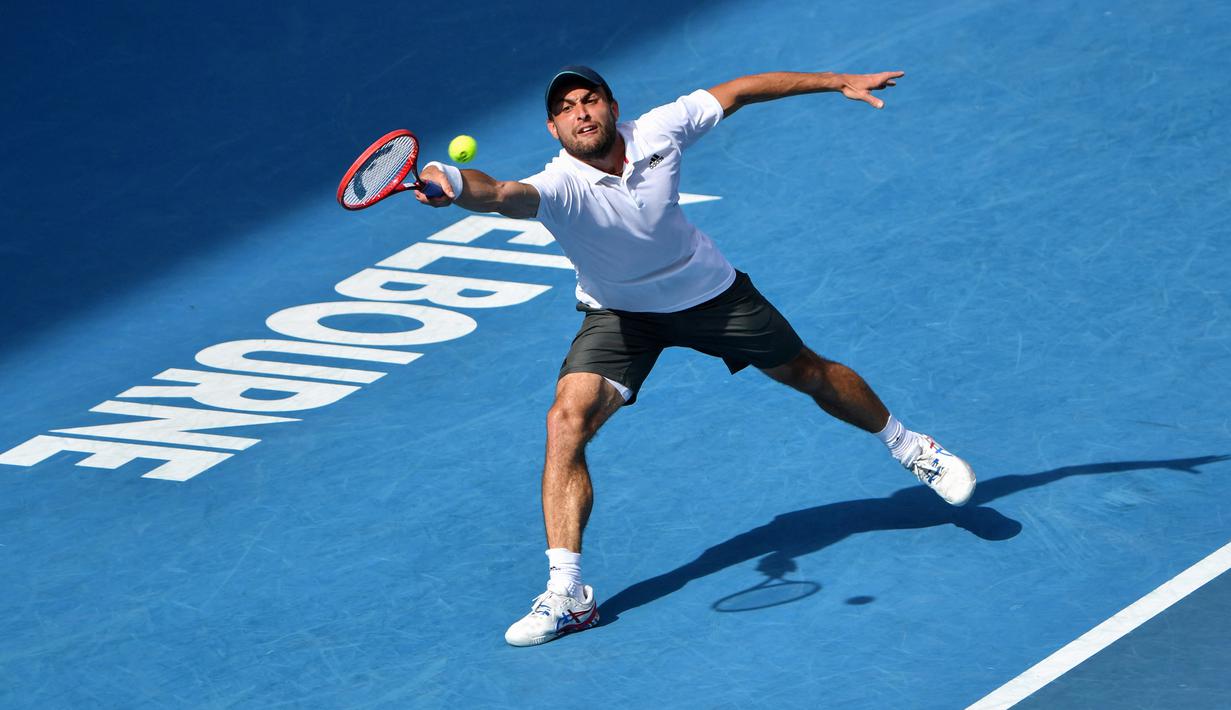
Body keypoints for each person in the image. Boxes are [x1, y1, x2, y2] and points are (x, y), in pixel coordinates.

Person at [414, 66, 975, 647]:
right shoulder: (558, 187)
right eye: (567, 108)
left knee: (807, 372)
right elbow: (501, 193)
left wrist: (836, 81)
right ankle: (569, 594)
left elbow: (741, 91)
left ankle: (912, 447)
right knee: (565, 421)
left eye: (590, 99)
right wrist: (451, 181)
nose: (581, 112)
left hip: (711, 296)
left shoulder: (658, 131)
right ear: (554, 128)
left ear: (611, 106)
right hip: (621, 317)